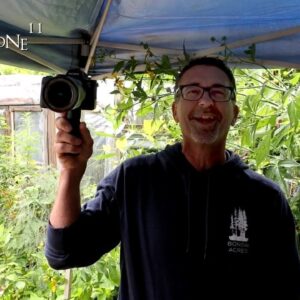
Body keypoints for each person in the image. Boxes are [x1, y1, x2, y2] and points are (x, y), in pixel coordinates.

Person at [45, 57, 300, 299]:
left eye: (218, 92)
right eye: (192, 91)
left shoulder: (264, 197)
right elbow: (64, 252)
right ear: (175, 111)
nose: (205, 102)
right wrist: (70, 173)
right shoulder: (134, 180)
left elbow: (285, 286)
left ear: (234, 113)